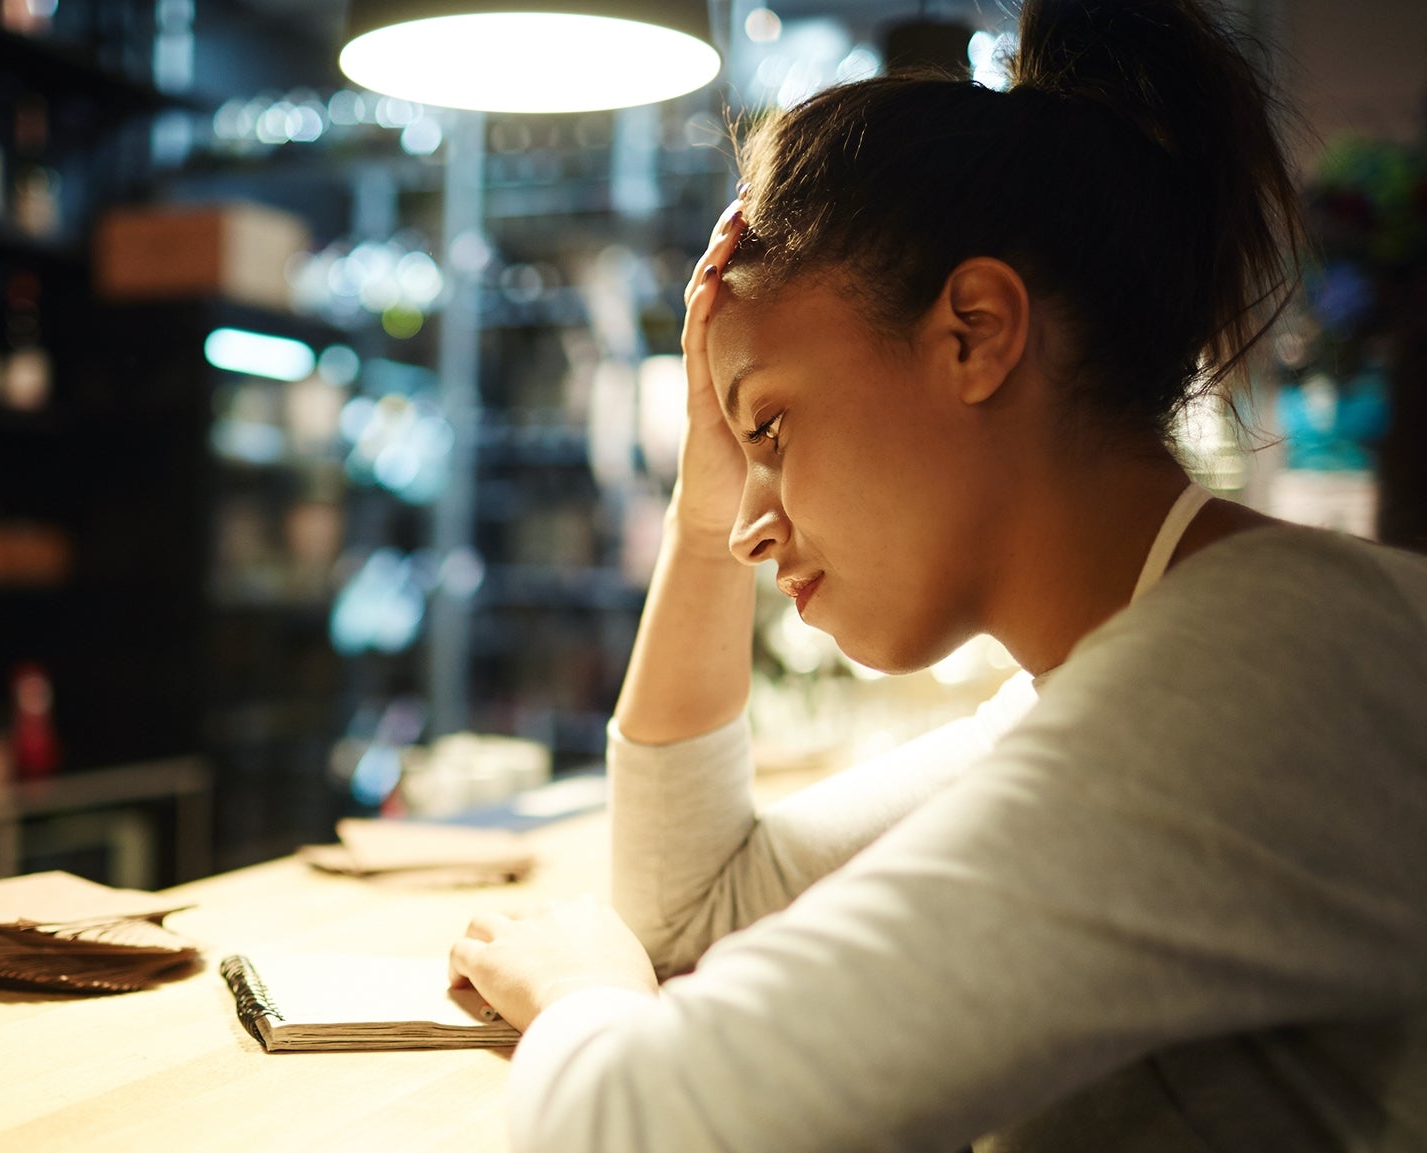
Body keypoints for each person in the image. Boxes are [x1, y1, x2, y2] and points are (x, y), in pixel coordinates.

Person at [443, 0, 1427, 1148]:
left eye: (770, 427)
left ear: (973, 332)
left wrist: (580, 995)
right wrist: (710, 480)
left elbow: (642, 1128)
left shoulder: (1254, 687)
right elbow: (693, 912)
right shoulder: (1128, 675)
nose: (749, 532)